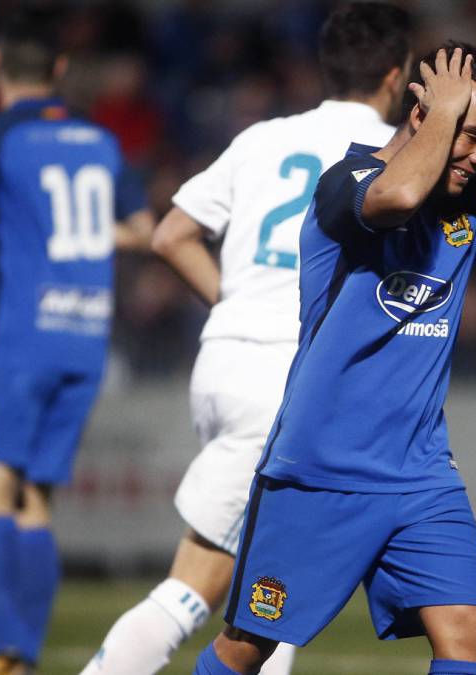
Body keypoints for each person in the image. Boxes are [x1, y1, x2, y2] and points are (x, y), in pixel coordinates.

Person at [193, 42, 476, 675]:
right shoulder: (346, 184)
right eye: (469, 135)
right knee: (246, 647)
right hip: (321, 468)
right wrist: (448, 112)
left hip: (422, 472)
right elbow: (396, 197)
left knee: (465, 631)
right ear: (422, 112)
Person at [80, 4, 412, 674]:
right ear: (397, 75)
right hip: (292, 380)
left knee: (271, 580)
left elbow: (172, 234)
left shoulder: (263, 138)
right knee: (211, 587)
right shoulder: (395, 154)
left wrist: (237, 302)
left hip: (226, 359)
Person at [0, 10, 153, 674]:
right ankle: (22, 651)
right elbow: (141, 230)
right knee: (33, 502)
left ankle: (8, 654)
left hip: (20, 337)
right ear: (57, 71)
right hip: (84, 339)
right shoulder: (100, 140)